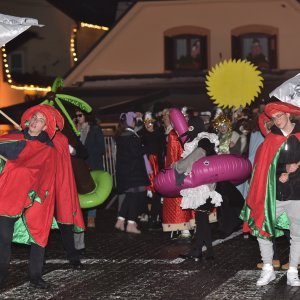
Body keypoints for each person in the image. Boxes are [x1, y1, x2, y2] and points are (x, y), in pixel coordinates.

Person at [241, 101, 300, 287]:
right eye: (273, 118)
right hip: (274, 195)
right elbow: (262, 167)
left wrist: (297, 168)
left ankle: (292, 271)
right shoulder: (271, 139)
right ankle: (268, 268)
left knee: (297, 234)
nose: (277, 121)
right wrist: (281, 170)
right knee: (262, 230)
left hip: (297, 193)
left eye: (280, 116)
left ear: (288, 115)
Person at [0, 105, 58, 289]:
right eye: (34, 117)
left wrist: (34, 191)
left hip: (35, 197)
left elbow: (46, 175)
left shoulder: (48, 149)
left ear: (45, 127)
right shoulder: (12, 140)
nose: (35, 121)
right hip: (8, 196)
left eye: (40, 120)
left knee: (39, 236)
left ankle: (36, 276)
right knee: (2, 240)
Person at [114, 112, 150, 234]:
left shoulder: (122, 135)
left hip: (126, 172)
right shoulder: (131, 136)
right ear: (130, 122)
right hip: (134, 172)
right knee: (134, 197)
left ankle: (120, 220)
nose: (135, 122)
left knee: (129, 196)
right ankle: (130, 223)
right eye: (134, 120)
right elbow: (136, 153)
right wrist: (144, 147)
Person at [161, 109, 194, 239]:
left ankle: (188, 226)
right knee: (184, 198)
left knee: (186, 198)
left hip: (185, 171)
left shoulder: (179, 134)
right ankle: (186, 227)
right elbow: (172, 155)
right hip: (184, 170)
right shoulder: (176, 134)